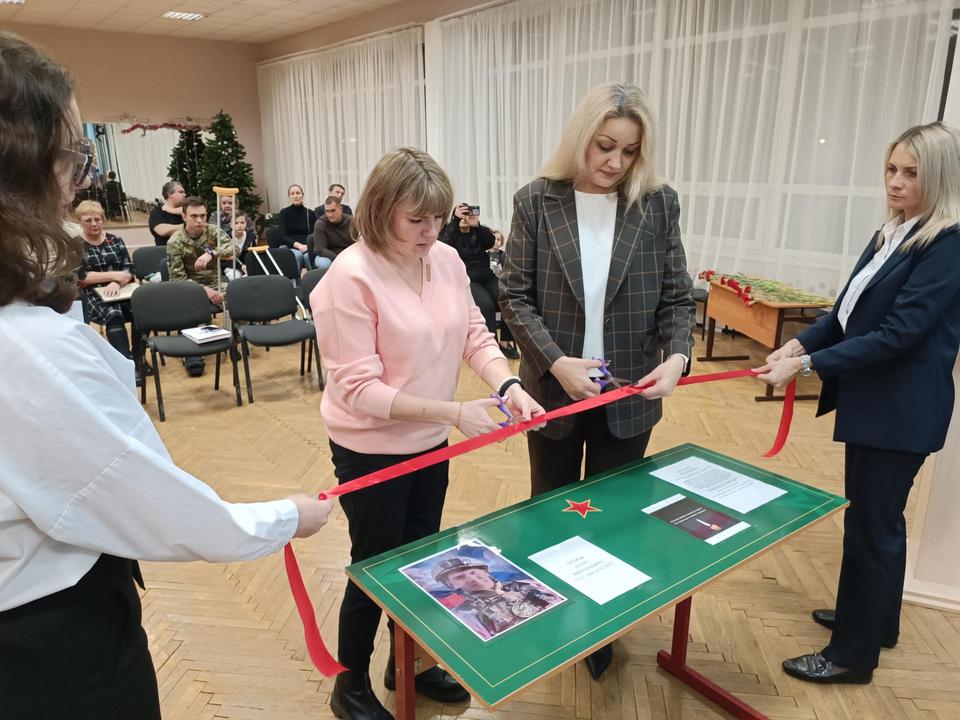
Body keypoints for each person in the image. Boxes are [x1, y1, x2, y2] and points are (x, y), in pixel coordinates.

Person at [0, 30, 334, 720]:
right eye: (73, 157)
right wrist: (284, 518)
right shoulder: (27, 348)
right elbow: (145, 499)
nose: (80, 179)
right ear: (24, 168)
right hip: (50, 642)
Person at [311, 147, 545, 720]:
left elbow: (473, 335)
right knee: (374, 567)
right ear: (381, 209)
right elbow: (357, 390)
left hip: (428, 441)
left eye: (438, 217)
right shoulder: (349, 277)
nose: (431, 230)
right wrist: (453, 412)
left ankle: (408, 663)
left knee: (420, 559)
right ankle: (349, 685)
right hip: (370, 450)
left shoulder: (444, 259)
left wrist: (508, 385)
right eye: (417, 219)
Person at [500, 82, 696, 680]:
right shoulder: (537, 201)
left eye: (629, 151)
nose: (614, 162)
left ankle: (600, 626)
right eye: (604, 146)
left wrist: (678, 357)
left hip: (629, 393)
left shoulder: (656, 204)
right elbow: (514, 296)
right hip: (552, 391)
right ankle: (548, 610)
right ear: (581, 138)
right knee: (551, 511)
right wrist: (555, 361)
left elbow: (677, 295)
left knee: (615, 517)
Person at [756, 121, 960, 685]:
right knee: (877, 520)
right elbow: (845, 312)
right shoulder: (891, 232)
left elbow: (898, 334)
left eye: (911, 173)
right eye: (891, 169)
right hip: (876, 404)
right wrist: (799, 344)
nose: (895, 182)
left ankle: (850, 655)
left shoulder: (948, 242)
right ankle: (874, 623)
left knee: (871, 528)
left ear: (940, 176)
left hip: (901, 411)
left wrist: (807, 367)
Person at [166, 196, 241, 376]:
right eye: (194, 216)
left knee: (237, 295)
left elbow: (235, 249)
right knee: (187, 303)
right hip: (188, 287)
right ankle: (192, 353)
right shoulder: (175, 242)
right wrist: (204, 291)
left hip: (215, 282)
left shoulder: (212, 231)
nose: (199, 220)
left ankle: (233, 340)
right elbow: (177, 279)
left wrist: (212, 253)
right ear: (184, 217)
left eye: (203, 215)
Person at [442, 203, 518, 358]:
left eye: (468, 213)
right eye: (462, 214)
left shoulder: (479, 231)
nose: (466, 217)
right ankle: (489, 346)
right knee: (486, 305)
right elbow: (443, 244)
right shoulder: (451, 233)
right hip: (468, 280)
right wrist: (455, 221)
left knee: (508, 299)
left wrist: (476, 225)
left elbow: (491, 242)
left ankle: (505, 342)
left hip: (487, 277)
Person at [73, 200, 138, 372]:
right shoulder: (75, 245)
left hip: (121, 289)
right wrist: (115, 275)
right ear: (80, 222)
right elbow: (81, 276)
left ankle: (138, 359)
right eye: (88, 220)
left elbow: (129, 269)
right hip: (91, 293)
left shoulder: (115, 240)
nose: (94, 224)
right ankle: (125, 364)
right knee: (113, 312)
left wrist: (116, 282)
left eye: (97, 219)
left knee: (140, 310)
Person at [433, 557, 563, 640]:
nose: (472, 579)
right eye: (459, 577)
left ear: (485, 571)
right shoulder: (464, 614)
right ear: (450, 584)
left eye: (473, 572)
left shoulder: (528, 584)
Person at [272, 184, 315, 269]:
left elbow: (314, 234)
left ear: (302, 195)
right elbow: (282, 235)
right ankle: (294, 278)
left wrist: (307, 246)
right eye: (292, 194)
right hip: (290, 246)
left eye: (298, 193)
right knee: (296, 256)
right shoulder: (284, 212)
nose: (295, 196)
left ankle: (312, 277)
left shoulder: (310, 213)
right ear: (289, 197)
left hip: (307, 246)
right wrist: (298, 245)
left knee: (308, 257)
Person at [309, 195, 354, 271]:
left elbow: (357, 244)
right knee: (324, 263)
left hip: (347, 254)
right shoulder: (320, 223)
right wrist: (339, 258)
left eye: (333, 211)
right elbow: (320, 249)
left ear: (341, 209)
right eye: (327, 211)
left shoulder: (351, 222)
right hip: (328, 255)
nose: (330, 215)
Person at [148, 180, 186, 246]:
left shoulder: (186, 210)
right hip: (165, 251)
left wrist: (172, 210)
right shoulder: (157, 212)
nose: (185, 195)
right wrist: (189, 227)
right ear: (170, 194)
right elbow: (163, 231)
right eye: (181, 192)